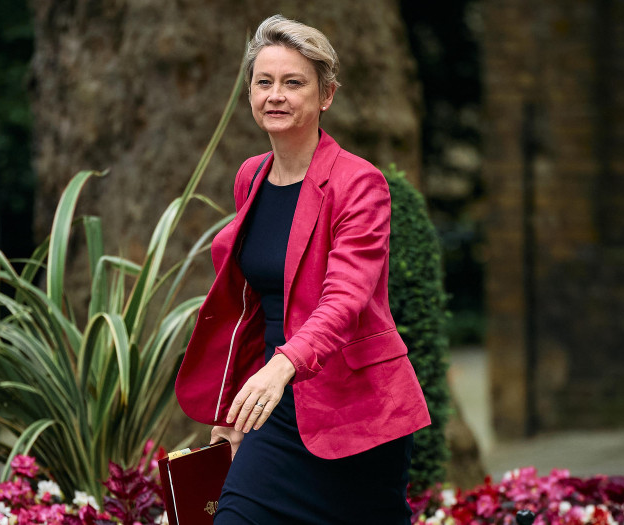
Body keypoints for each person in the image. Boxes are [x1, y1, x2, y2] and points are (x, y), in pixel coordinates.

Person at [174, 14, 432, 524]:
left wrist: (282, 367)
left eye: (294, 83)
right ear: (249, 93)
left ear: (325, 95)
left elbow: (345, 299)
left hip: (356, 412)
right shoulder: (250, 177)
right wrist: (236, 408)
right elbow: (252, 309)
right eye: (264, 82)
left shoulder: (360, 183)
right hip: (277, 404)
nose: (276, 95)